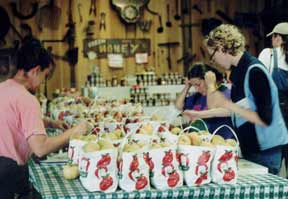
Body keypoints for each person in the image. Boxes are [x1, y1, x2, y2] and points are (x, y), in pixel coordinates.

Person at [0, 42, 88, 198]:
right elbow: (40, 148)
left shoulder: (4, 88)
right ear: (36, 71)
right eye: (45, 76)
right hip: (6, 174)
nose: (42, 83)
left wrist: (50, 123)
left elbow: (14, 119)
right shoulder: (27, 99)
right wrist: (73, 132)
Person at [202, 24, 288, 174]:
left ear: (222, 47)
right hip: (252, 149)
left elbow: (265, 116)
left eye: (213, 57)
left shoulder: (254, 71)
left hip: (265, 151)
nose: (214, 62)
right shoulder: (238, 72)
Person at [258, 22, 288, 177]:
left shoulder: (268, 54)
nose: (272, 40)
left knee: (271, 166)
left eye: (273, 36)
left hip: (276, 117)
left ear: (278, 38)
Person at [175, 62, 233, 138]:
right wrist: (187, 87)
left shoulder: (224, 92)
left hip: (221, 143)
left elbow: (215, 108)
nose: (196, 89)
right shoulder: (199, 96)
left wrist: (210, 84)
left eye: (198, 85)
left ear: (207, 80)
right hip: (201, 143)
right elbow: (179, 105)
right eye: (193, 85)